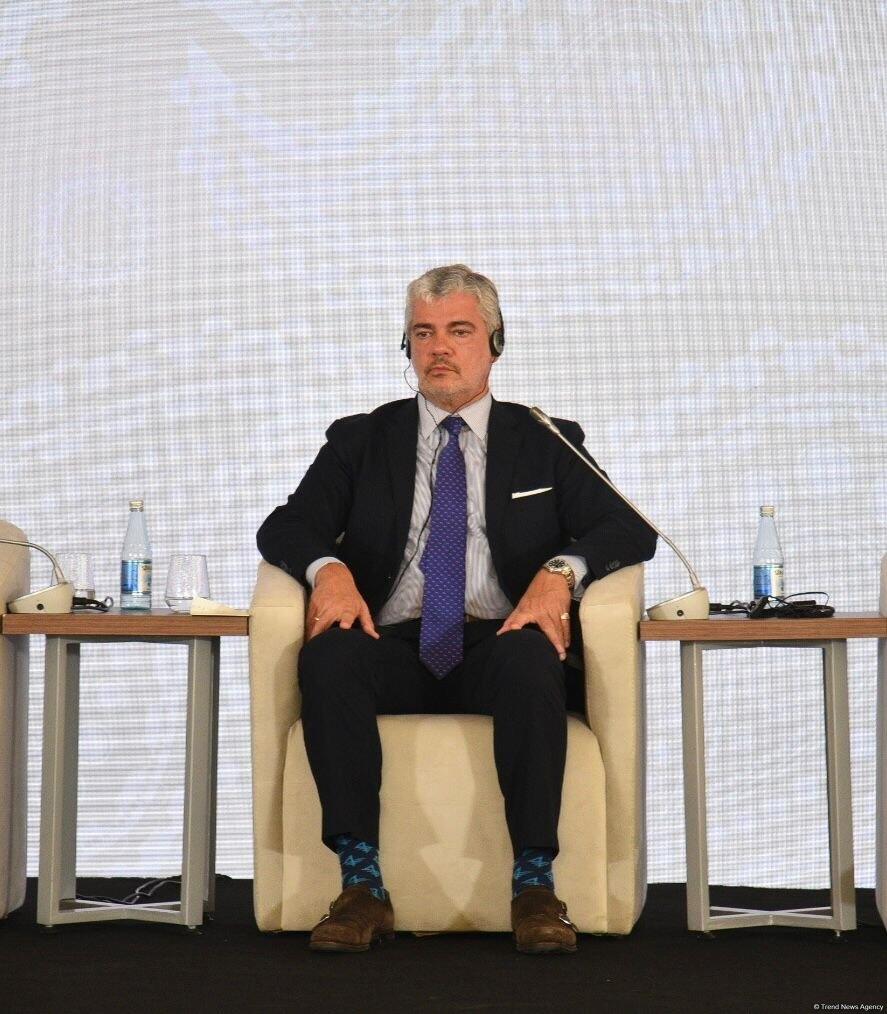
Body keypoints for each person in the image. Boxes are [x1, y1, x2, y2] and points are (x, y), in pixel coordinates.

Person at [257, 264, 656, 954]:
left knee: (532, 656)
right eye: (423, 333)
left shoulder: (545, 438)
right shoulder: (361, 440)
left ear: (495, 343)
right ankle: (360, 887)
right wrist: (329, 572)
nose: (439, 347)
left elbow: (627, 528)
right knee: (330, 657)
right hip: (393, 643)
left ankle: (535, 888)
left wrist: (560, 573)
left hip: (497, 641)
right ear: (406, 347)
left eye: (459, 331)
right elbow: (286, 527)